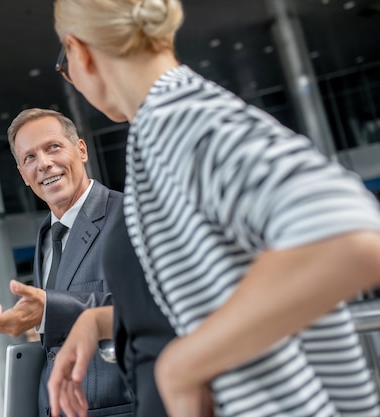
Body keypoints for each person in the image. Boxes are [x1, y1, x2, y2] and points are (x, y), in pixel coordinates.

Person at [47, 1, 380, 416]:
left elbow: (349, 237)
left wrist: (182, 367)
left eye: (64, 62)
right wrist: (95, 321)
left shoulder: (179, 118)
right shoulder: (156, 130)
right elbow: (220, 288)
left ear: (80, 51)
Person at [0, 108, 134, 417]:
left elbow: (146, 308)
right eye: (29, 158)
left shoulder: (127, 215)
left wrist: (47, 310)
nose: (43, 163)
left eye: (53, 147)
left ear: (80, 150)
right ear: (23, 175)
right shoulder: (45, 234)